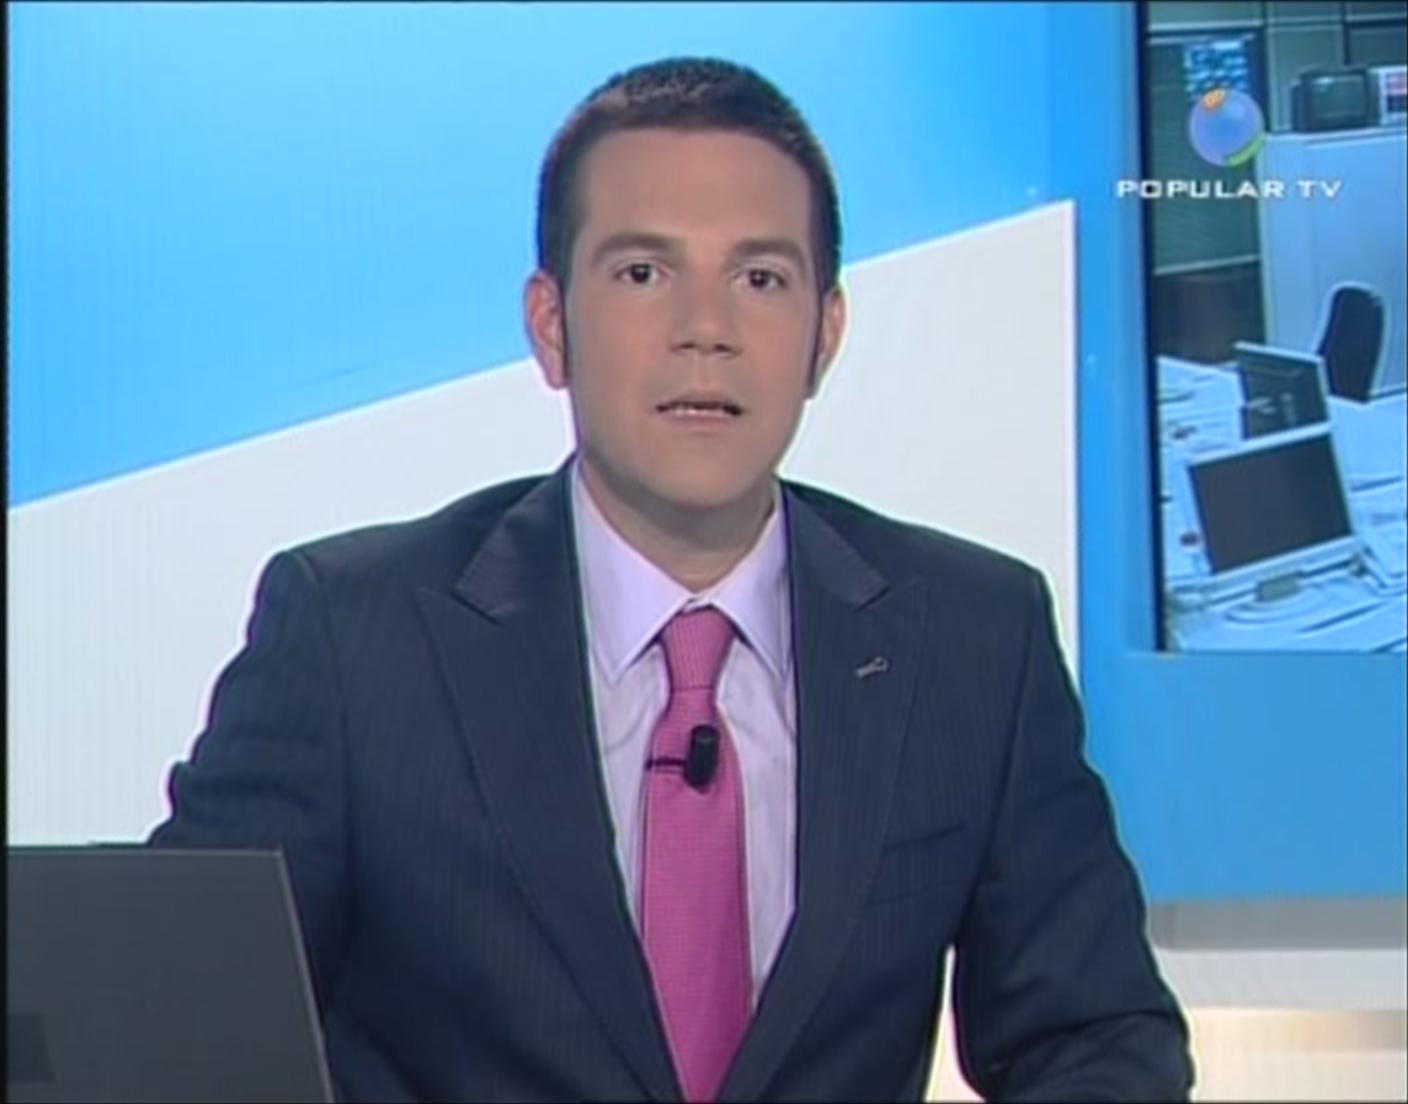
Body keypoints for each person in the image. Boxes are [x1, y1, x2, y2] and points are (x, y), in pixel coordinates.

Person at [150, 56, 1193, 1103]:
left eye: (760, 279)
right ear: (551, 325)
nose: (707, 330)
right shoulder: (352, 637)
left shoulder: (973, 639)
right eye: (644, 273)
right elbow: (171, 1030)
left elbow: (1096, 1040)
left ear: (825, 335)